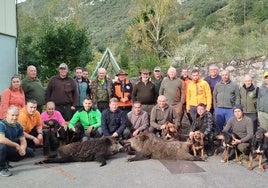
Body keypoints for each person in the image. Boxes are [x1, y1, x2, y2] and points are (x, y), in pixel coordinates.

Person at [0, 106, 34, 177]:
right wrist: (16, 145)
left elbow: (23, 140)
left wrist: (23, 148)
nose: (15, 117)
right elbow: (1, 139)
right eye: (12, 115)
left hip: (9, 148)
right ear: (7, 114)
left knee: (29, 152)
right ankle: (2, 168)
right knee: (2, 146)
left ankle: (5, 160)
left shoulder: (18, 126)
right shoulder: (2, 124)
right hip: (2, 147)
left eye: (16, 115)